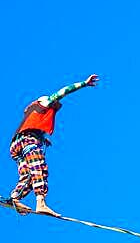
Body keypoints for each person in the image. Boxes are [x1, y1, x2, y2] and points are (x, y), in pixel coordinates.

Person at [8, 74, 100, 216]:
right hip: (28, 140)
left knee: (29, 174)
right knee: (39, 167)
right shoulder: (43, 104)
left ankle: (15, 197)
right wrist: (84, 83)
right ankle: (41, 202)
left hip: (16, 145)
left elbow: (31, 127)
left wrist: (42, 139)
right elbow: (62, 92)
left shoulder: (31, 112)